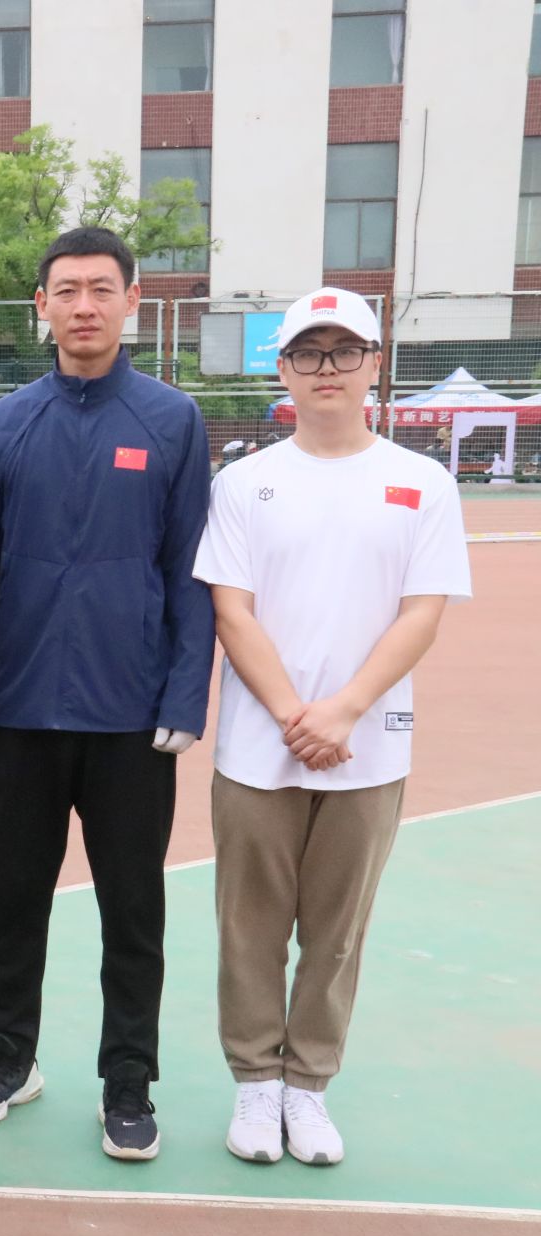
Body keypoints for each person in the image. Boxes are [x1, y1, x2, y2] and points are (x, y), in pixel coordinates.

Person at [0, 226, 215, 1162]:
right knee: (14, 897)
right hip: (20, 713)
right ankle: (8, 1058)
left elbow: (189, 570)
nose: (84, 305)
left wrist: (184, 696)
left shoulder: (172, 420)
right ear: (42, 306)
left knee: (133, 909)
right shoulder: (1, 425)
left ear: (133, 301)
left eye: (102, 288)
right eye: (67, 289)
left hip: (132, 721)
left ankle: (127, 1080)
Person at [192, 288, 470, 1167]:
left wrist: (344, 709)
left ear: (374, 365)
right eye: (308, 353)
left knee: (337, 930)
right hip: (256, 748)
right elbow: (231, 610)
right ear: (283, 369)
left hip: (370, 748)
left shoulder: (424, 483)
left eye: (345, 351)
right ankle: (255, 1080)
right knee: (249, 925)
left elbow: (422, 613)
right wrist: (292, 714)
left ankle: (307, 1086)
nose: (326, 369)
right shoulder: (243, 483)